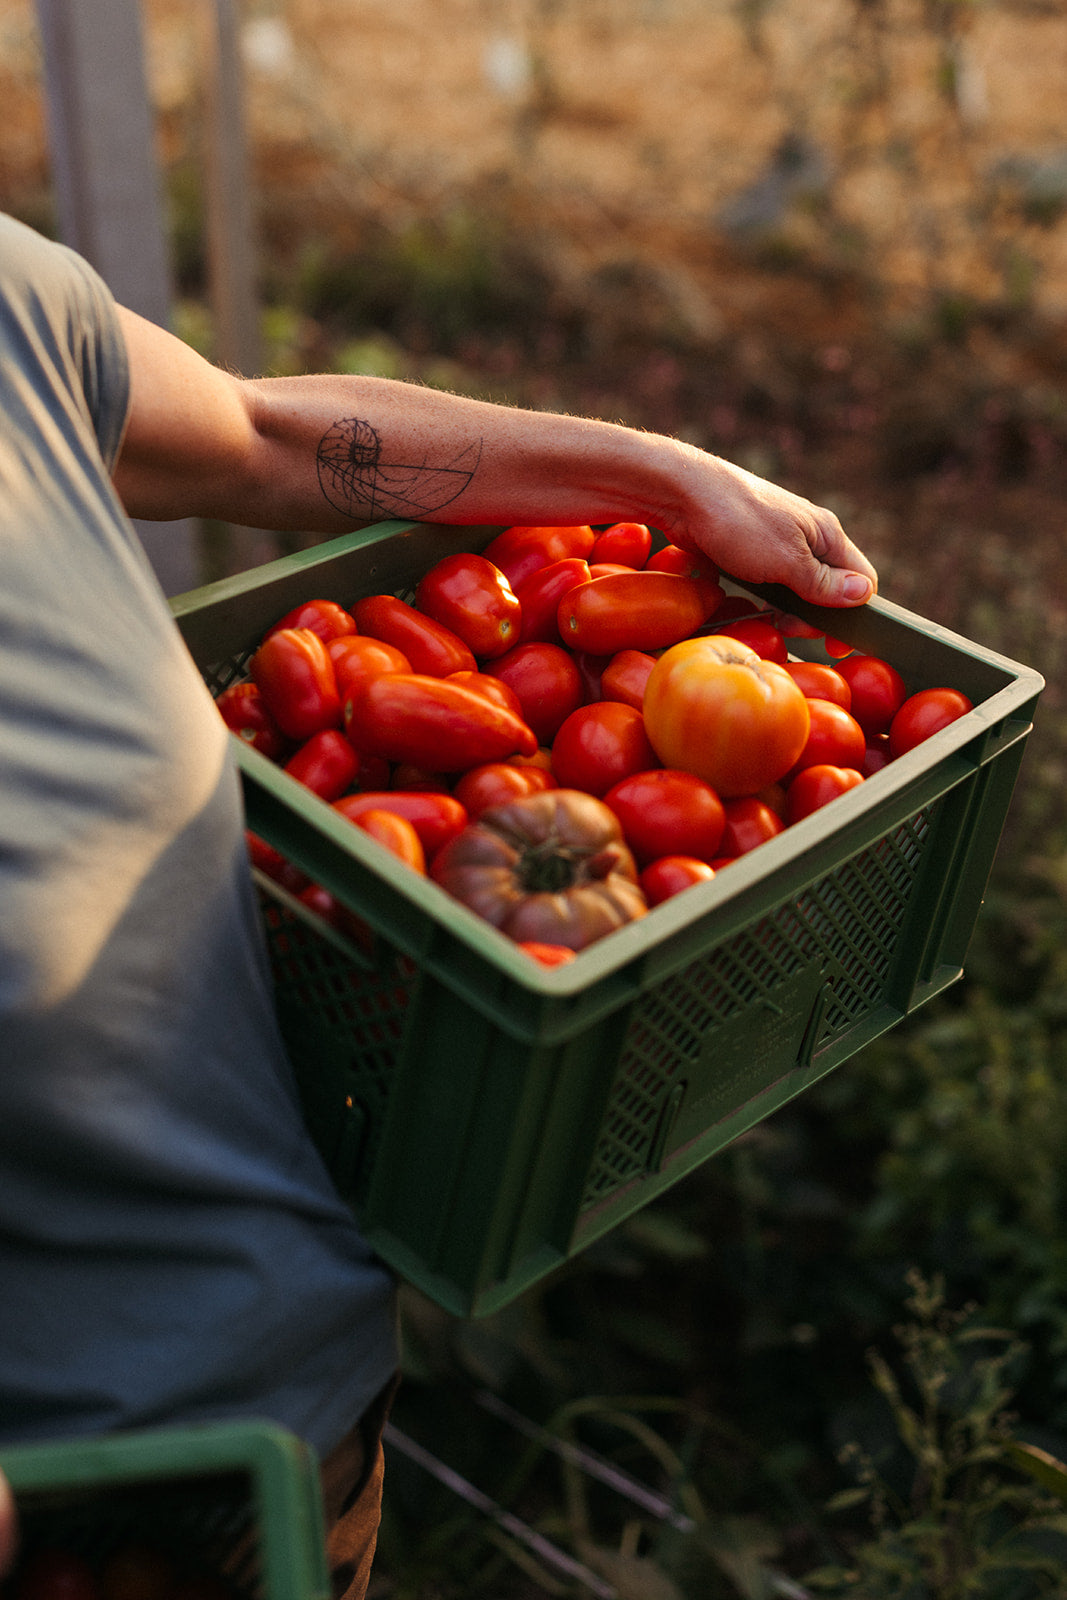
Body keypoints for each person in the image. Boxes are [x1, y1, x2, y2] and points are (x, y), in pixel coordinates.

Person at [0, 209, 877, 1599]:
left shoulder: (8, 298)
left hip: (297, 1380)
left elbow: (263, 435)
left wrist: (660, 480)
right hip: (73, 1489)